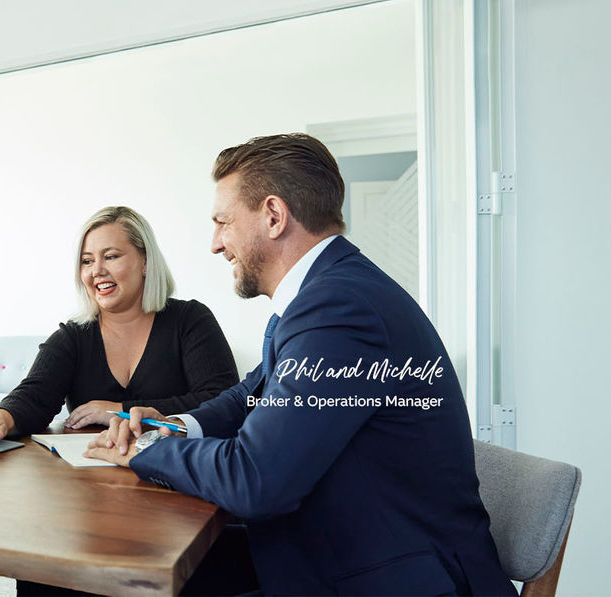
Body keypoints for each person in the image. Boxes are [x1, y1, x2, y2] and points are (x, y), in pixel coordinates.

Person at [87, 134, 517, 596]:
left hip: (386, 574)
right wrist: (175, 425)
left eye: (223, 222)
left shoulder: (338, 307)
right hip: (338, 545)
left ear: (273, 216)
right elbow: (250, 394)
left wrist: (147, 448)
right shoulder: (329, 293)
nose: (216, 244)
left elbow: (256, 479)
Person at [0, 206, 238, 447]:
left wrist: (118, 410)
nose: (97, 271)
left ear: (145, 261)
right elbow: (35, 395)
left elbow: (221, 399)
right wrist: (3, 416)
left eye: (111, 256)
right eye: (87, 261)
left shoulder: (190, 320)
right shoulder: (73, 336)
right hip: (97, 480)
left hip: (183, 474)